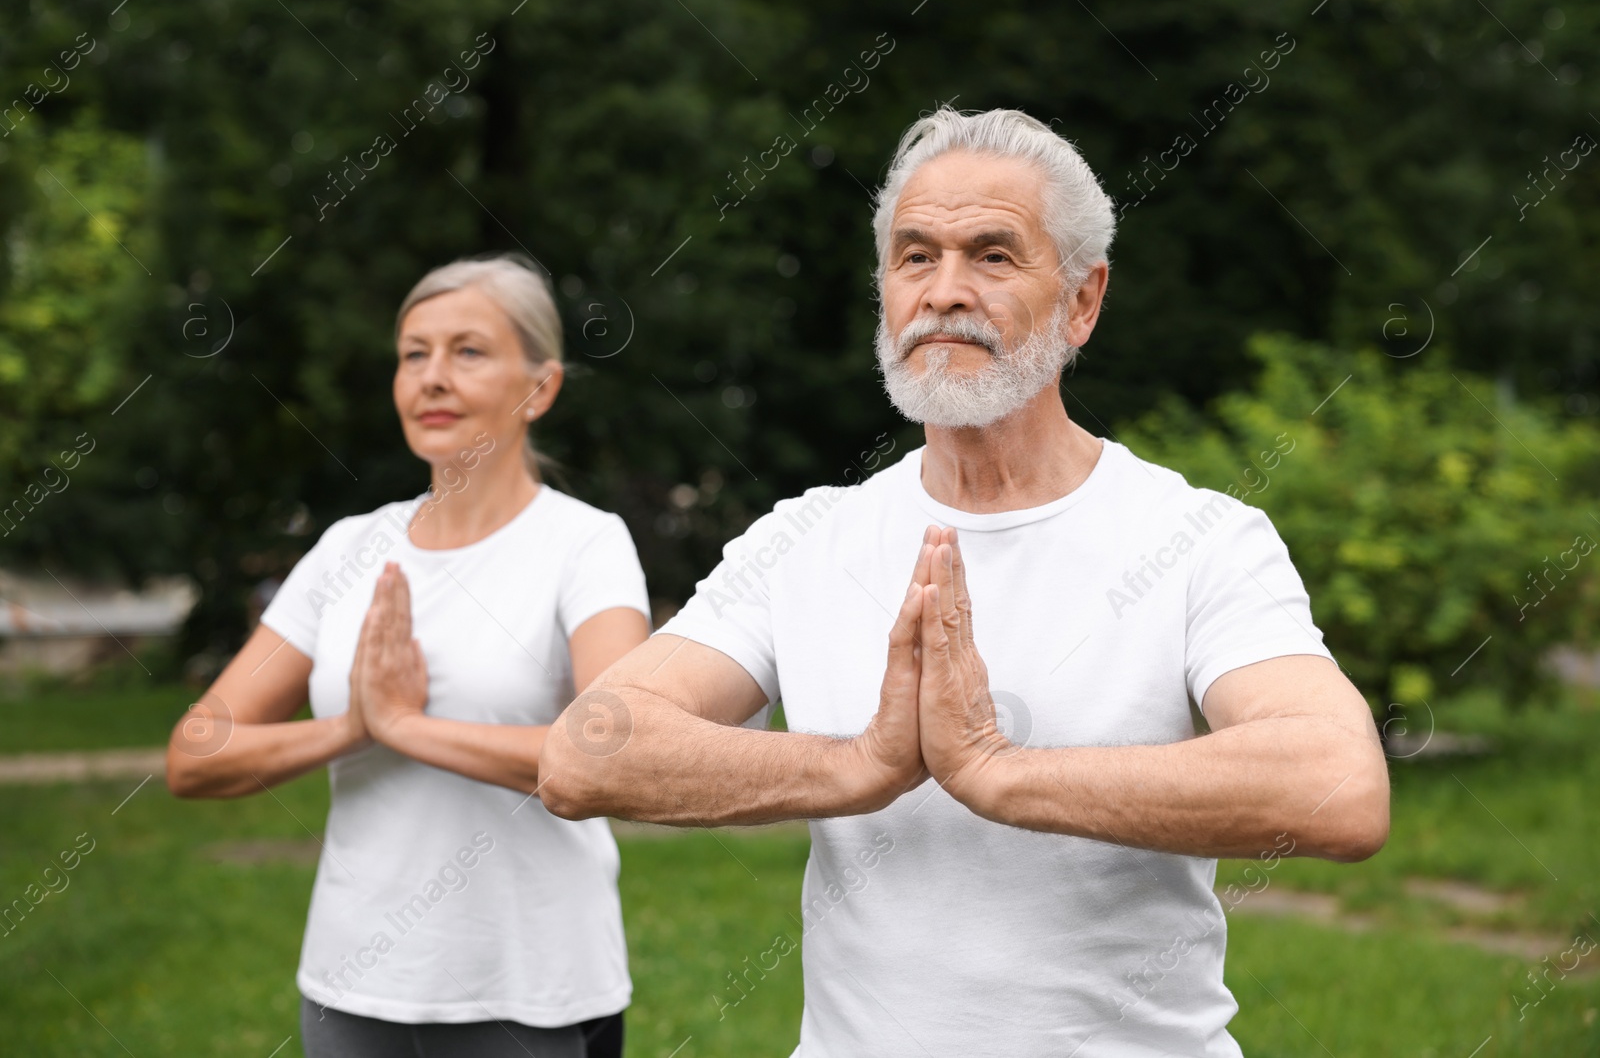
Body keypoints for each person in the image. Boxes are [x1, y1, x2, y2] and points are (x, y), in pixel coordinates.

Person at [537, 108, 1391, 1055]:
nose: (945, 293)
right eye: (914, 257)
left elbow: (1339, 782)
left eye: (992, 255)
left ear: (1082, 301)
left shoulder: (1197, 538)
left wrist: (995, 772)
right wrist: (857, 765)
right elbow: (585, 752)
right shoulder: (809, 537)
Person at [166, 254, 650, 1058]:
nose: (432, 377)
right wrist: (354, 726)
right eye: (413, 353)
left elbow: (614, 754)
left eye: (468, 351)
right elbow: (194, 754)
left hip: (533, 994)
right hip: (352, 994)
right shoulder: (345, 551)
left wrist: (404, 725)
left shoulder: (586, 545)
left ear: (541, 386)